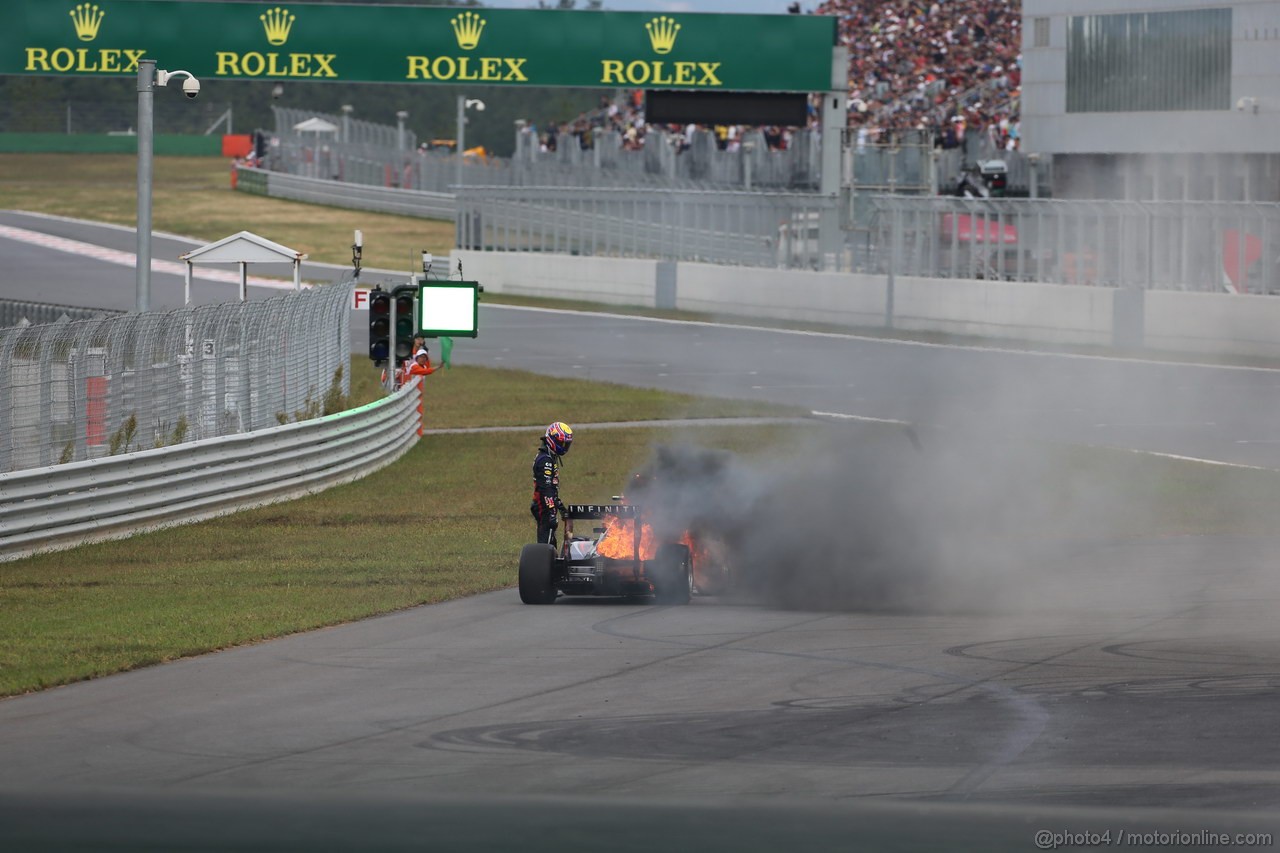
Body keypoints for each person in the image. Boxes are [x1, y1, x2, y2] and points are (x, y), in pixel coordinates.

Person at [530, 421, 573, 547]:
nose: (564, 446)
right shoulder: (545, 460)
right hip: (542, 504)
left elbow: (552, 490)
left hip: (546, 502)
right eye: (562, 443)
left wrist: (560, 507)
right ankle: (542, 562)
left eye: (566, 443)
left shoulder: (550, 456)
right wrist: (551, 510)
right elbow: (546, 489)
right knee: (547, 534)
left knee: (551, 538)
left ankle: (547, 560)